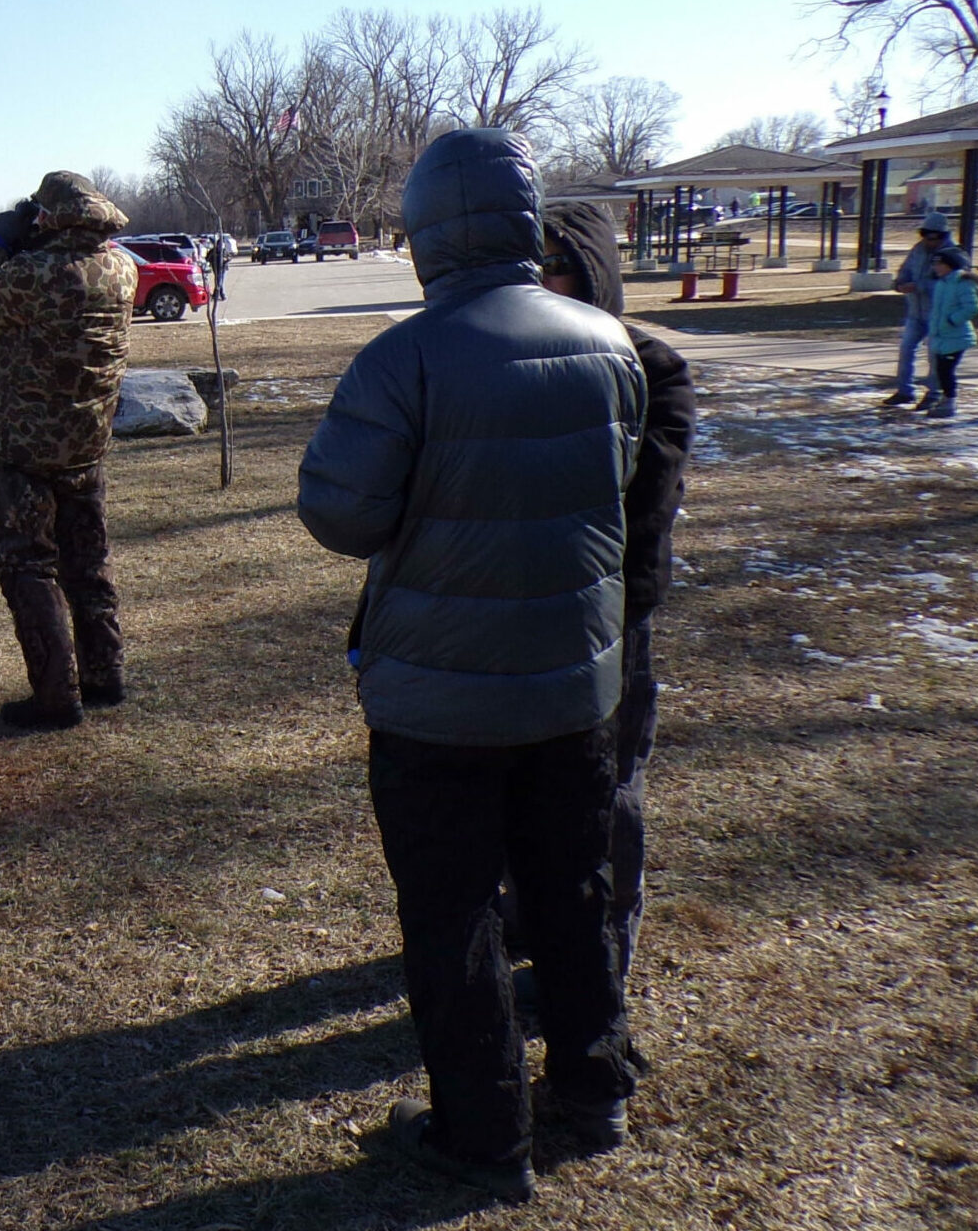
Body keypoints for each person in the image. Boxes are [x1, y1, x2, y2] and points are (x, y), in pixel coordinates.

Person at [297, 129, 646, 1203]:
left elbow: (340, 517)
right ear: (522, 219)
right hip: (572, 684)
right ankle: (594, 1090)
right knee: (571, 891)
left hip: (438, 704)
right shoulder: (610, 344)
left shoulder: (401, 359)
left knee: (452, 917)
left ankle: (482, 1135)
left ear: (425, 236)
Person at [537, 200, 698, 992]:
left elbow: (646, 506)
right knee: (531, 791)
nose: (542, 280)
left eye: (558, 264)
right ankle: (530, 919)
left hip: (608, 617)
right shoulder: (515, 362)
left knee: (607, 792)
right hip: (525, 614)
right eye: (531, 264)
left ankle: (603, 957)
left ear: (595, 273)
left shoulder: (649, 367)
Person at [0, 171, 139, 730]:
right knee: (88, 562)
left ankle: (56, 695)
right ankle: (106, 674)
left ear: (50, 217)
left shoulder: (38, 272)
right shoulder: (122, 265)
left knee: (29, 567)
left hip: (24, 448)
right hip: (87, 441)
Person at [883, 211, 953, 408]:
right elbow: (905, 270)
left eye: (934, 236)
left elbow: (950, 284)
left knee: (934, 355)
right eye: (925, 235)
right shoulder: (918, 250)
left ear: (943, 235)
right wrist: (899, 284)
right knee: (906, 349)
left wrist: (919, 286)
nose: (929, 240)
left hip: (938, 314)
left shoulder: (953, 255)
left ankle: (934, 393)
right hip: (915, 311)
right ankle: (905, 391)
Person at [924, 248, 978, 419]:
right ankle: (946, 398)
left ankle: (950, 402)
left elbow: (972, 307)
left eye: (939, 264)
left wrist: (952, 320)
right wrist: (933, 332)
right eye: (934, 263)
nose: (936, 267)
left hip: (956, 336)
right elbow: (937, 311)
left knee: (946, 370)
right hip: (942, 336)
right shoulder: (942, 283)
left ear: (950, 265)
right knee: (941, 370)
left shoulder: (961, 283)